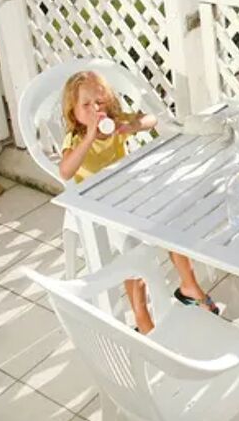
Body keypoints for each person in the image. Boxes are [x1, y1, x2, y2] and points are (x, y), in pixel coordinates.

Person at [59, 71, 219, 333]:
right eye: (86, 105)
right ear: (73, 111)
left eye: (99, 102)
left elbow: (152, 119)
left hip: (128, 194)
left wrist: (131, 126)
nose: (95, 109)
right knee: (133, 250)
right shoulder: (75, 138)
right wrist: (89, 137)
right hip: (96, 206)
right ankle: (141, 316)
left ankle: (189, 285)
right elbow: (65, 171)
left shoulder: (114, 124)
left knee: (170, 223)